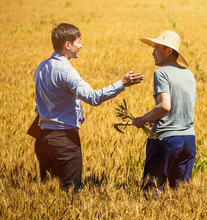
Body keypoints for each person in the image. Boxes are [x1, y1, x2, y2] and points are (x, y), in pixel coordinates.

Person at [33, 23, 144, 192]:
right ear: (67, 45)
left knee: (48, 192)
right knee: (70, 192)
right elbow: (93, 98)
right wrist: (121, 84)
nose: (81, 45)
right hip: (64, 141)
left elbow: (38, 106)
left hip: (42, 139)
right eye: (78, 41)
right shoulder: (66, 71)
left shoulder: (41, 67)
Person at [133, 31, 196, 192]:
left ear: (169, 50)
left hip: (166, 140)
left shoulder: (161, 73)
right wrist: (155, 118)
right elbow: (182, 107)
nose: (152, 52)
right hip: (188, 140)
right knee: (181, 193)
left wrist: (142, 119)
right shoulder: (188, 74)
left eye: (156, 48)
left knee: (152, 190)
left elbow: (165, 106)